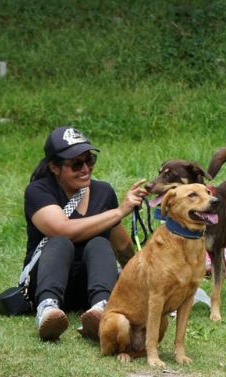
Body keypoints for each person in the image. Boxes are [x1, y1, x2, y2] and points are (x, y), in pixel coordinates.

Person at [23, 126, 147, 341]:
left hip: (88, 285)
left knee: (100, 242)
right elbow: (61, 229)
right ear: (54, 167)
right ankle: (47, 309)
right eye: (76, 164)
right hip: (46, 280)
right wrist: (120, 211)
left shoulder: (103, 192)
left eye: (89, 160)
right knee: (60, 241)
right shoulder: (39, 191)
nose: (85, 169)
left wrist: (143, 280)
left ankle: (101, 308)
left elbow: (122, 246)